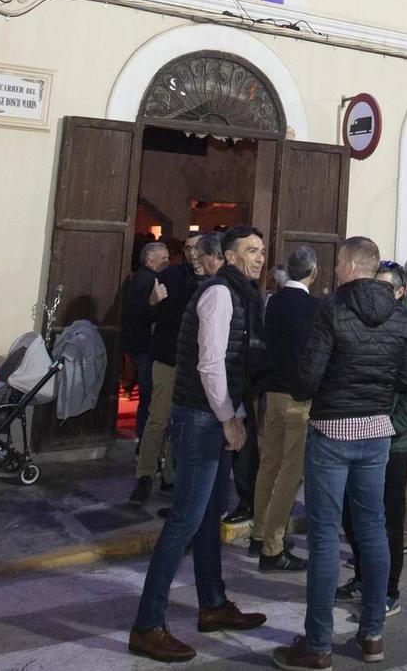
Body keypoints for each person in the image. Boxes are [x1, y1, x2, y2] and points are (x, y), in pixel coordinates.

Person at [272, 237, 407, 670]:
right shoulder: (400, 313)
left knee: (323, 536)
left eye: (338, 263)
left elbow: (307, 379)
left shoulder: (331, 309)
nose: (333, 271)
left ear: (353, 264)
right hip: (376, 431)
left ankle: (318, 645)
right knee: (373, 530)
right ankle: (372, 635)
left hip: (333, 430)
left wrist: (309, 383)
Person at [128, 227, 268, 663]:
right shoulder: (220, 295)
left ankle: (212, 605)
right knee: (186, 520)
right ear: (228, 255)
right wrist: (229, 419)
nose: (259, 258)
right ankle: (147, 624)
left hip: (215, 416)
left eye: (262, 251)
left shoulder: (238, 294)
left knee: (208, 517)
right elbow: (210, 365)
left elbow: (233, 362)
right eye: (250, 251)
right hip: (202, 418)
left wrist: (236, 415)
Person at [338, 262, 407, 615]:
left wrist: (394, 423)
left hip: (393, 440)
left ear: (402, 291)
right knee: (354, 514)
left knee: (389, 518)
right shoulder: (365, 317)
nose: (376, 292)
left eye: (385, 287)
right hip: (360, 433)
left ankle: (388, 589)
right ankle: (365, 577)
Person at [133, 233, 220, 507]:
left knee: (183, 425)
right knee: (158, 419)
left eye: (198, 248)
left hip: (197, 368)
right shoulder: (170, 277)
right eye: (189, 247)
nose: (193, 253)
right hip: (169, 360)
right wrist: (152, 302)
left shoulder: (214, 282)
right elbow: (145, 318)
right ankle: (145, 476)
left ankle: (172, 477)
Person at [251, 245, 319, 572]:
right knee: (290, 474)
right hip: (297, 398)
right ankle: (272, 546)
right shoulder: (313, 307)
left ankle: (259, 531)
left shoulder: (273, 302)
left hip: (272, 393)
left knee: (269, 465)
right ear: (313, 272)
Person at [120, 241, 169, 418]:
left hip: (137, 344)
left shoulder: (138, 278)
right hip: (145, 345)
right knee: (148, 396)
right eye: (163, 258)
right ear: (149, 260)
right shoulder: (148, 280)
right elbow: (142, 314)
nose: (167, 262)